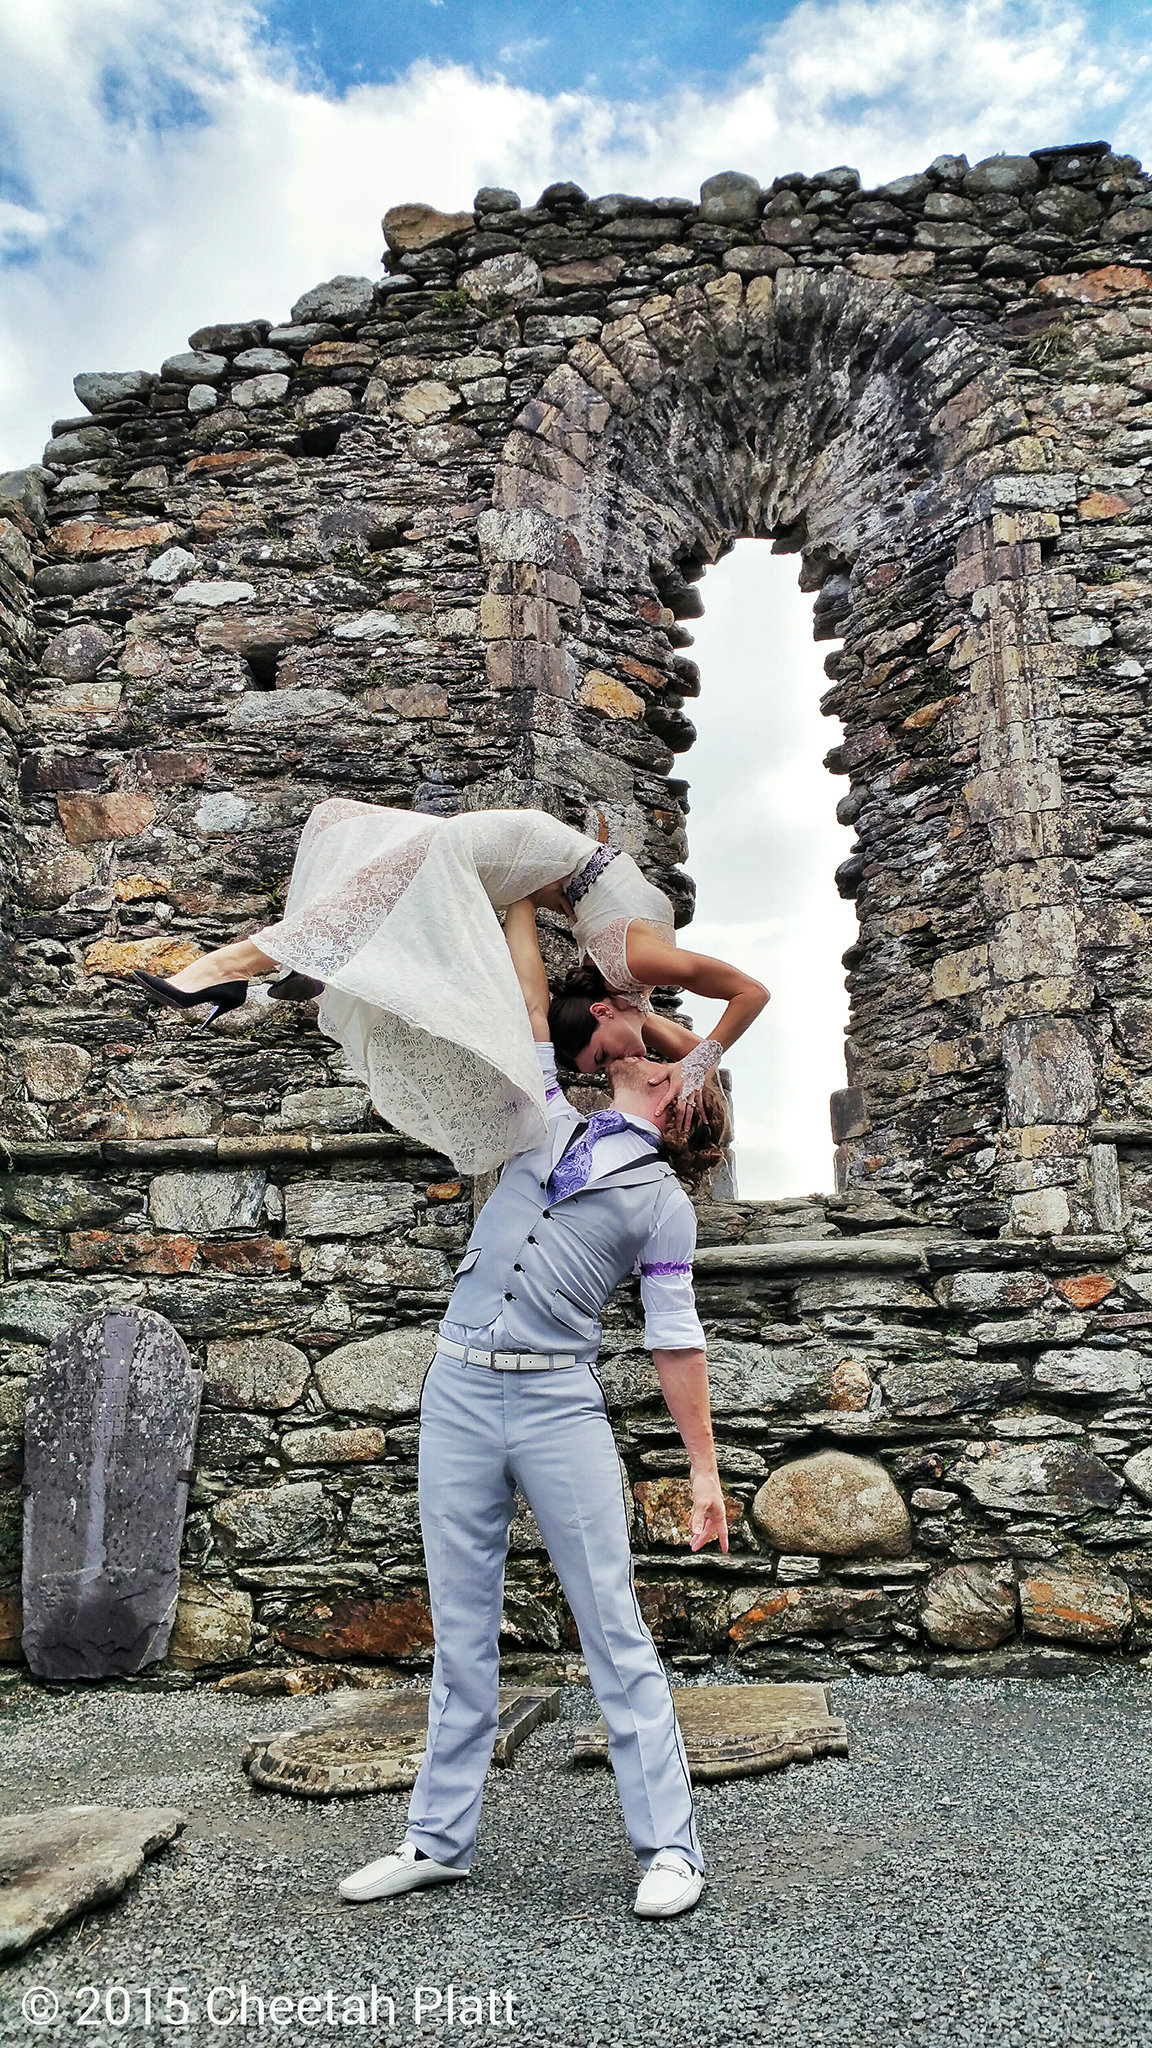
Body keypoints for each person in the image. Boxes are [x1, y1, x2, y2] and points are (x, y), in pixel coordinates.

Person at [338, 898, 729, 1921]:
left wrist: (703, 1469)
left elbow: (675, 1340)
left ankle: (671, 1848)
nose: (639, 1048)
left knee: (611, 1622)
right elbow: (526, 999)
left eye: (661, 1057)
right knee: (462, 1628)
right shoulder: (545, 1113)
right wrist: (516, 892)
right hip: (458, 1386)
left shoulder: (663, 1201)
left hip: (558, 1404)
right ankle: (436, 1838)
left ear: (684, 1101)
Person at [131, 801, 768, 1173]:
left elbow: (685, 1050)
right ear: (599, 1012)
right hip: (540, 848)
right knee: (410, 870)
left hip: (529, 879)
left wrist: (693, 1087)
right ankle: (245, 966)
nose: (629, 1061)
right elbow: (749, 993)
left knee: (400, 885)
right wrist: (698, 1068)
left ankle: (296, 960)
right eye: (607, 1058)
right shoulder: (637, 962)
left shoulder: (628, 1009)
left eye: (606, 1063)